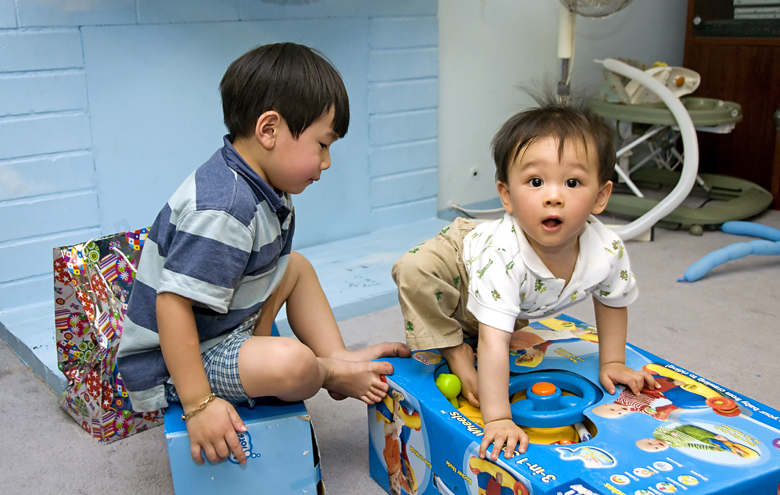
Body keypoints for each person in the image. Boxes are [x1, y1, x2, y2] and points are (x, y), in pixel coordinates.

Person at [116, 42, 410, 465]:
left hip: (228, 321)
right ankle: (331, 370)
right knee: (295, 364)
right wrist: (199, 405)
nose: (326, 162)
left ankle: (339, 355)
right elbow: (173, 305)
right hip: (178, 361)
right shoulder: (224, 208)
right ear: (269, 130)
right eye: (322, 145)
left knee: (298, 267)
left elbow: (268, 268)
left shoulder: (265, 185)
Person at [392, 91, 658, 461]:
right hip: (462, 265)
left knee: (500, 316)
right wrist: (498, 416)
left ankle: (471, 328)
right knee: (414, 269)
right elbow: (494, 344)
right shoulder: (503, 255)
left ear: (601, 196)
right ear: (507, 195)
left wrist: (612, 361)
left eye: (572, 183)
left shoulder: (607, 249)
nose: (553, 197)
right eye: (535, 182)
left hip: (513, 293)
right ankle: (454, 348)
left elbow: (612, 301)